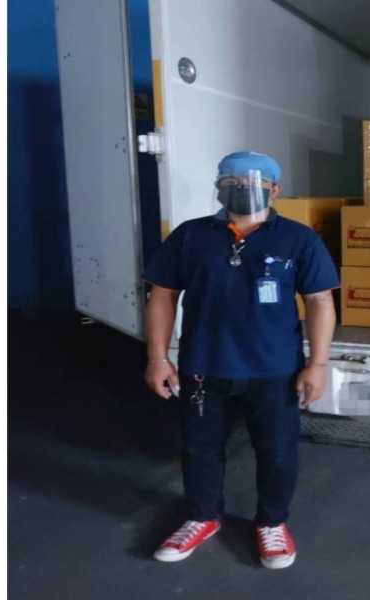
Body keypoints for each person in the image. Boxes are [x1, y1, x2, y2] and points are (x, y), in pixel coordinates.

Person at [142, 151, 339, 569]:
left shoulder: (299, 239)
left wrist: (317, 364)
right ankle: (202, 516)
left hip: (275, 370)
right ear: (218, 186)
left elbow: (320, 300)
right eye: (231, 181)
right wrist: (158, 357)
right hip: (203, 366)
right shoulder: (191, 235)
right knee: (199, 449)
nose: (241, 188)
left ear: (275, 189)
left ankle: (272, 523)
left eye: (253, 182)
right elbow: (162, 295)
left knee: (277, 453)